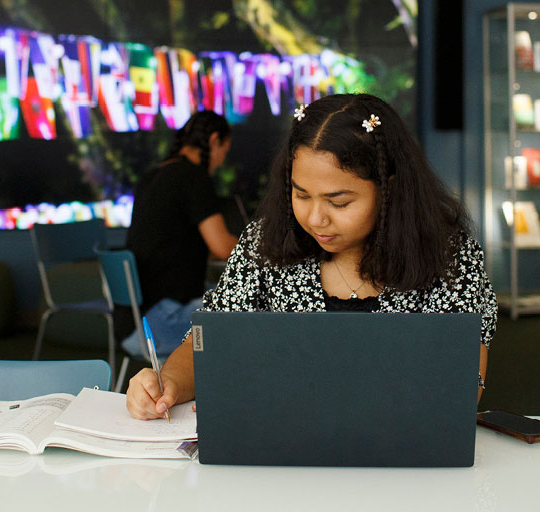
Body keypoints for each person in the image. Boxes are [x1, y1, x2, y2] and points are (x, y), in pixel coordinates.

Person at [126, 94, 497, 419]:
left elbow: (462, 387)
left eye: (339, 201)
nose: (316, 218)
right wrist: (168, 383)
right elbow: (207, 341)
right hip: (285, 461)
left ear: (390, 188)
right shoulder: (265, 244)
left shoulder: (449, 256)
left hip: (403, 459)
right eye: (301, 195)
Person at [123, 111, 239, 357]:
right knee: (245, 305)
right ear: (214, 140)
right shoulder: (194, 177)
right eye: (224, 151)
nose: (220, 161)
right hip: (161, 321)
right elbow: (222, 247)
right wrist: (268, 251)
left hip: (131, 320)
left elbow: (169, 245)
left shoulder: (153, 176)